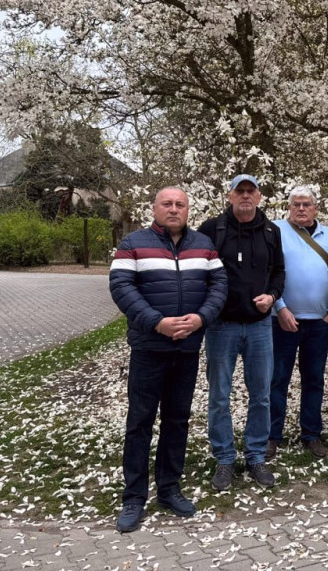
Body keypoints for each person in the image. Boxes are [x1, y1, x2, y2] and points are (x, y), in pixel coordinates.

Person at [109, 187, 227, 532]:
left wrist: (201, 318)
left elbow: (219, 285)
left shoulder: (204, 245)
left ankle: (169, 488)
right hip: (149, 347)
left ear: (188, 210)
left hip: (186, 348)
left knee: (177, 420)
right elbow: (121, 288)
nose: (174, 209)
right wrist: (156, 322)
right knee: (140, 422)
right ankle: (134, 497)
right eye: (167, 204)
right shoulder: (132, 244)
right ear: (155, 208)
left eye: (180, 204)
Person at [197, 174, 285, 491]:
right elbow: (198, 272)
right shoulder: (212, 229)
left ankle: (255, 456)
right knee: (219, 395)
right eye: (240, 191)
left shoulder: (271, 232)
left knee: (261, 395)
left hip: (260, 326)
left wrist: (272, 297)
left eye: (251, 191)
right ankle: (224, 458)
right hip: (222, 326)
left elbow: (279, 272)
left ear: (259, 197)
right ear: (230, 196)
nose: (245, 196)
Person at [267, 186, 328, 461]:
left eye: (306, 204)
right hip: (282, 320)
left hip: (318, 323)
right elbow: (269, 272)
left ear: (315, 208)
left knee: (313, 380)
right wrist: (281, 308)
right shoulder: (275, 230)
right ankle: (272, 435)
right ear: (289, 207)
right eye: (296, 204)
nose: (301, 208)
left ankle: (311, 434)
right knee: (278, 379)